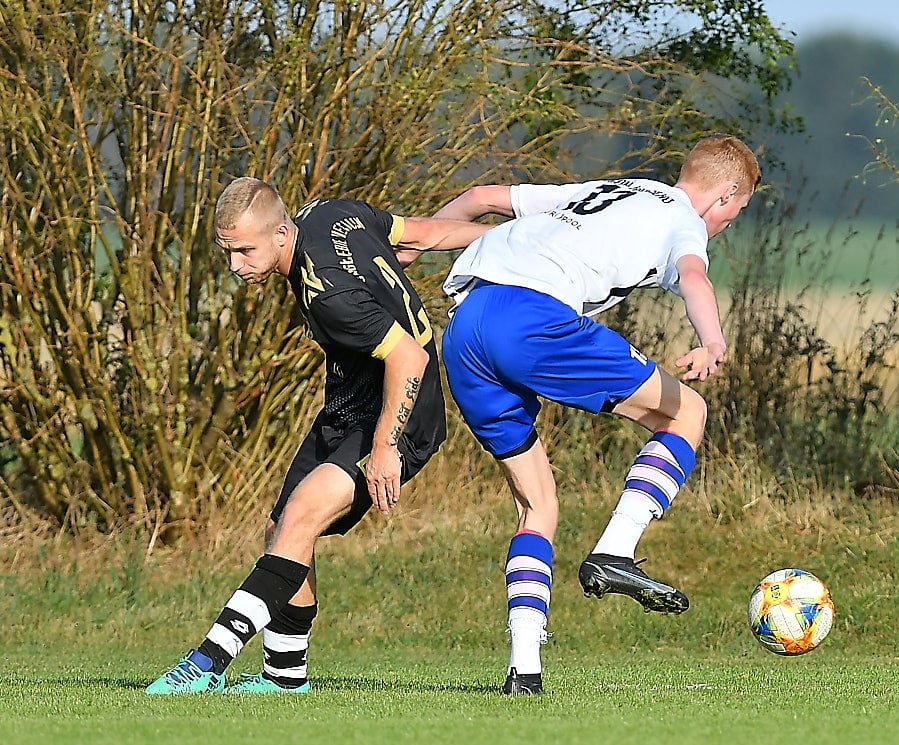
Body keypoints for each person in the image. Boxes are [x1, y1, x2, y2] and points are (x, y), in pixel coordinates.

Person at [434, 134, 760, 696]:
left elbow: (481, 197)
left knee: (538, 504)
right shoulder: (682, 218)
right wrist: (712, 342)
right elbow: (694, 277)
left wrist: (409, 249)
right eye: (737, 211)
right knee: (686, 413)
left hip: (465, 329)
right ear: (725, 195)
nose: (728, 224)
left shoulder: (615, 189)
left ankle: (525, 670)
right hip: (532, 320)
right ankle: (615, 549)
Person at [146, 177, 491, 694]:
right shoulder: (331, 214)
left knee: (301, 515)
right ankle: (285, 677)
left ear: (281, 233)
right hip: (349, 404)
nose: (235, 265)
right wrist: (507, 238)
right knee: (281, 528)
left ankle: (204, 663)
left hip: (398, 412)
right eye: (228, 252)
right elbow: (422, 234)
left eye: (245, 251)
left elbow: (410, 357)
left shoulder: (328, 295)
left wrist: (385, 448)